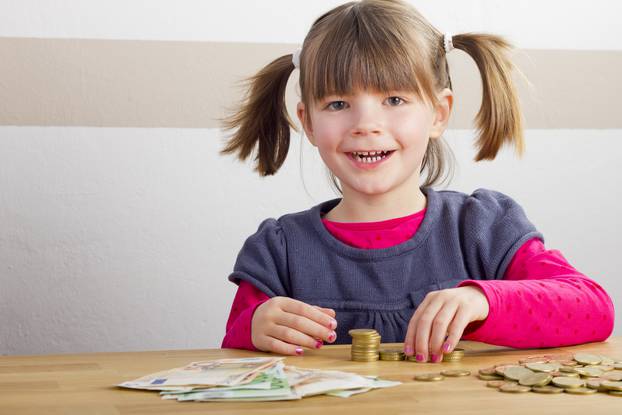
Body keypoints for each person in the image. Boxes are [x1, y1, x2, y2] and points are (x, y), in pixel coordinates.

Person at [218, 0, 614, 363]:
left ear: (439, 113)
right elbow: (231, 359)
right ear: (307, 121)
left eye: (394, 100)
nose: (366, 125)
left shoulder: (483, 228)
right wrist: (254, 329)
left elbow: (593, 308)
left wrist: (484, 301)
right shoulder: (279, 249)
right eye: (338, 104)